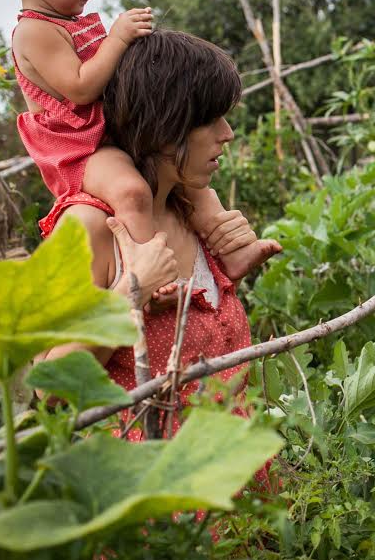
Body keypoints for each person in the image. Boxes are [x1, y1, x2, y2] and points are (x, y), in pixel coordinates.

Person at [0, 0, 274, 284]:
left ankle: (232, 253)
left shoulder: (71, 22)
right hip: (80, 151)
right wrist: (118, 38)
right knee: (132, 191)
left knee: (191, 184)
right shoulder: (34, 32)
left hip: (105, 135)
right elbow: (81, 88)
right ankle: (151, 272)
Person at [36, 29, 282, 440]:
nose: (227, 133)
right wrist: (130, 293)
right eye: (209, 120)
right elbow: (48, 387)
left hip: (239, 485)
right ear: (164, 125)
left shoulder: (191, 213)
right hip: (157, 490)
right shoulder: (93, 227)